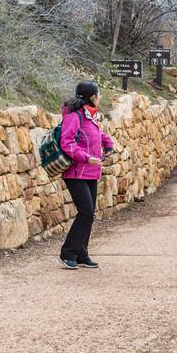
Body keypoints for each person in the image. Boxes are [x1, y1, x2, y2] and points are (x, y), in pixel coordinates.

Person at [59, 80, 114, 269]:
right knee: (86, 212)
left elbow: (97, 133)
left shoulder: (90, 115)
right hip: (76, 171)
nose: (100, 96)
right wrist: (86, 157)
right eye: (99, 93)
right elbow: (67, 142)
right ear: (92, 96)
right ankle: (68, 253)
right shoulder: (74, 116)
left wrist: (108, 143)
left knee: (89, 214)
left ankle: (82, 254)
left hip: (90, 171)